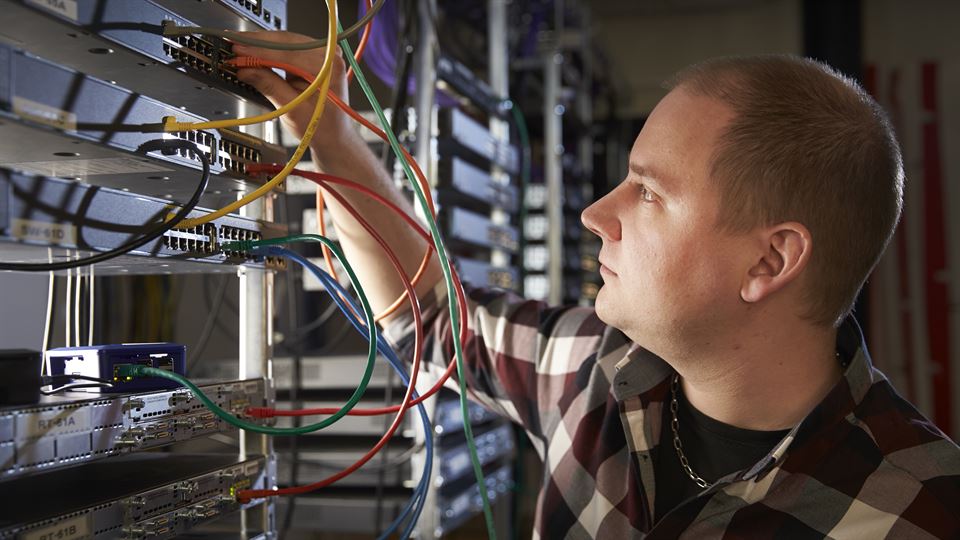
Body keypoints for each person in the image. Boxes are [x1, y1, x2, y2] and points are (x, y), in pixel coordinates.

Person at [235, 32, 960, 539]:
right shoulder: (595, 370)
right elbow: (429, 315)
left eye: (647, 192)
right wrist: (328, 132)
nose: (593, 214)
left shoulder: (918, 512)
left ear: (768, 263)